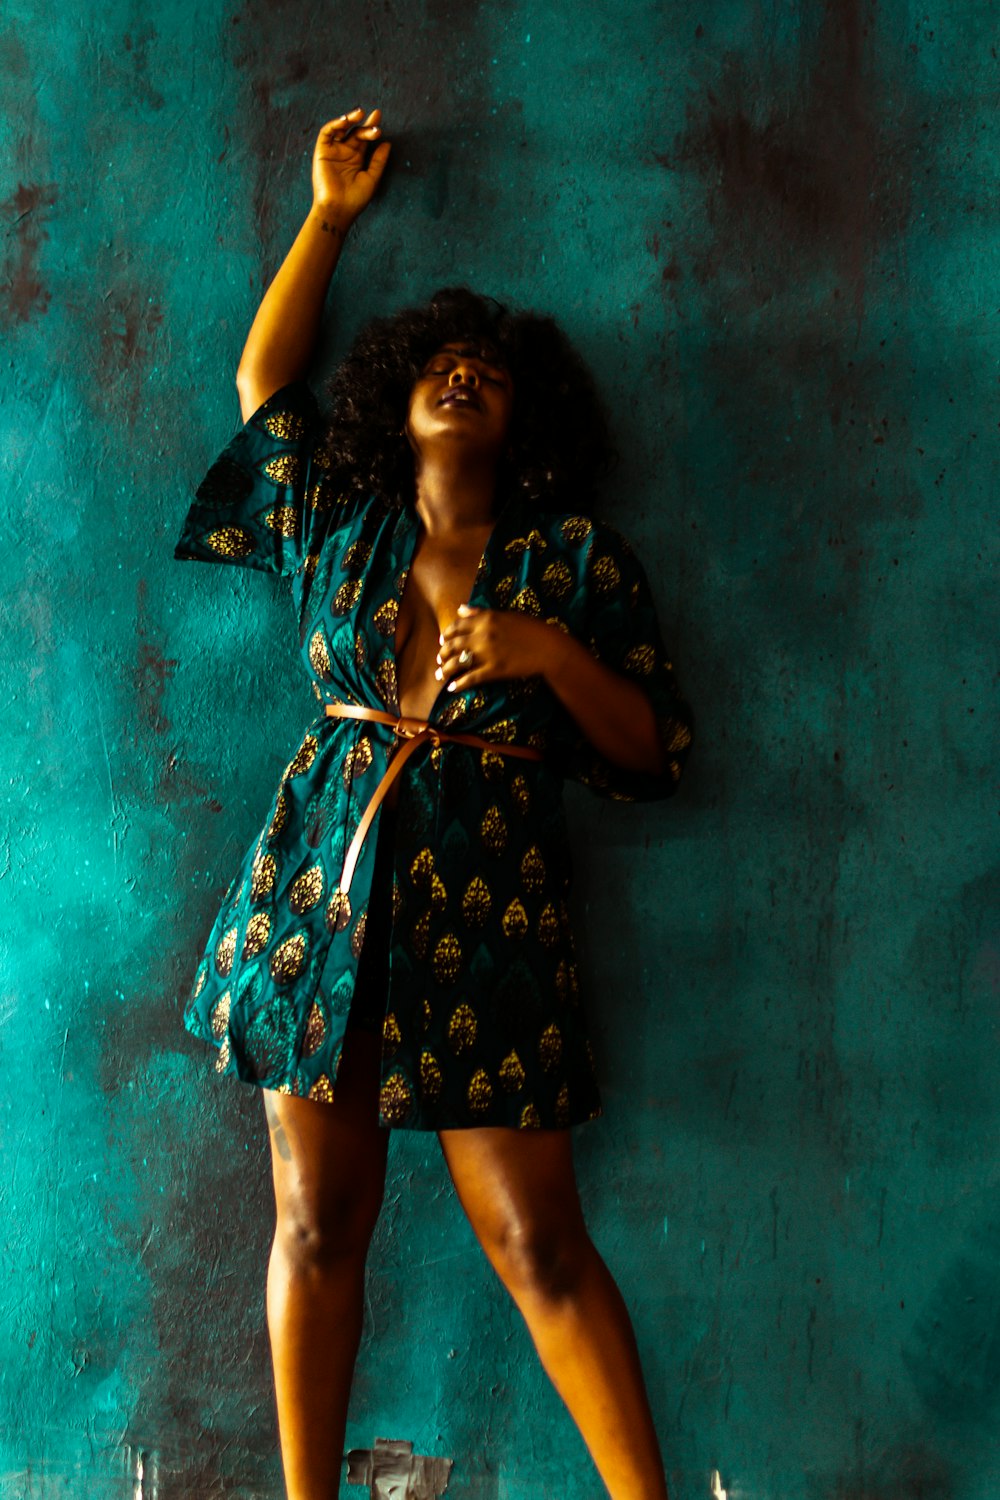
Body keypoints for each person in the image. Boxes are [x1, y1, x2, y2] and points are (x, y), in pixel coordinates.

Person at [175, 106, 692, 1500]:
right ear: (396, 396)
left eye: (491, 373)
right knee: (316, 1222)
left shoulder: (572, 561)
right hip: (319, 907)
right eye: (441, 364)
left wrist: (548, 655)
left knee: (536, 1240)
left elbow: (653, 750)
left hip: (493, 924)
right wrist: (329, 217)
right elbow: (259, 377)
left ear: (526, 421)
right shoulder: (341, 527)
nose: (464, 376)